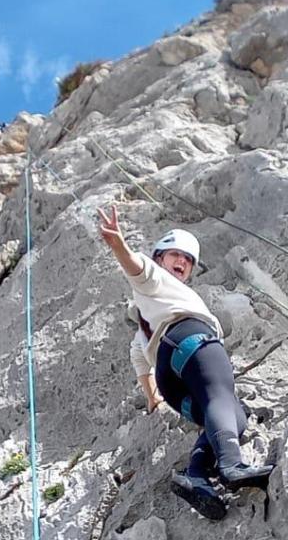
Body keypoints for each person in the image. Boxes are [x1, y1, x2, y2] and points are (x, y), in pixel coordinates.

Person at [97, 205, 274, 521]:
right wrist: (119, 245)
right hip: (191, 340)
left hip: (172, 382)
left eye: (188, 259)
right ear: (159, 258)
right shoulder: (157, 280)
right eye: (174, 254)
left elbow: (139, 359)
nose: (182, 261)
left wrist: (152, 397)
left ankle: (197, 476)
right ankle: (231, 465)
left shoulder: (147, 321)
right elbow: (137, 267)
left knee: (232, 417)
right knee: (220, 395)